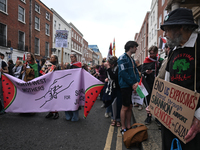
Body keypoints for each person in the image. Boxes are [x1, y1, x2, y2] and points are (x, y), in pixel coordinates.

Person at [157, 8, 200, 150]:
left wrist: (199, 118)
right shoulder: (174, 50)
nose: (165, 34)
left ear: (181, 27)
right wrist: (157, 103)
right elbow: (167, 83)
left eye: (167, 29)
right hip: (171, 120)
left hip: (194, 125)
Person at [118, 41, 140, 135]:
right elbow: (123, 73)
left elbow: (135, 71)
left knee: (130, 106)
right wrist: (133, 83)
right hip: (125, 86)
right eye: (135, 47)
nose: (136, 49)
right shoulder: (122, 58)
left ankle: (128, 126)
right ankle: (123, 128)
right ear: (130, 47)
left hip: (131, 85)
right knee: (125, 107)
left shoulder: (131, 59)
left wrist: (137, 83)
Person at [141, 46, 163, 125]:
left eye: (153, 53)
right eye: (150, 53)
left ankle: (157, 117)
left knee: (158, 101)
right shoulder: (147, 60)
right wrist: (146, 72)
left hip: (158, 84)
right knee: (149, 100)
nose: (151, 55)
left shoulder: (160, 61)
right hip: (148, 84)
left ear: (156, 52)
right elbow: (142, 72)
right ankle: (149, 116)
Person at [104, 56, 122, 127]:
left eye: (110, 64)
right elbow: (108, 75)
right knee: (112, 104)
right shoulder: (109, 68)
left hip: (118, 88)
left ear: (113, 64)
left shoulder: (118, 68)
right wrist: (107, 78)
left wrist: (108, 68)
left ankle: (118, 119)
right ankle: (113, 118)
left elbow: (114, 77)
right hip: (111, 88)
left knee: (118, 104)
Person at [65, 52, 81, 121]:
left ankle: (75, 117)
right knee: (67, 100)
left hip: (75, 84)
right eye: (70, 56)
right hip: (68, 84)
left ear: (75, 57)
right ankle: (68, 116)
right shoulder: (69, 65)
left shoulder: (78, 65)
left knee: (74, 101)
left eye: (72, 57)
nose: (71, 58)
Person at [45, 54, 60, 119]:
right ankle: (51, 112)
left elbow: (60, 74)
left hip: (55, 84)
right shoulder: (47, 64)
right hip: (48, 83)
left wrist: (56, 70)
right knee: (49, 98)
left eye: (52, 57)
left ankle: (56, 113)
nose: (50, 58)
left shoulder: (58, 66)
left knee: (55, 99)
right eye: (50, 57)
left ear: (55, 59)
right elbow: (43, 72)